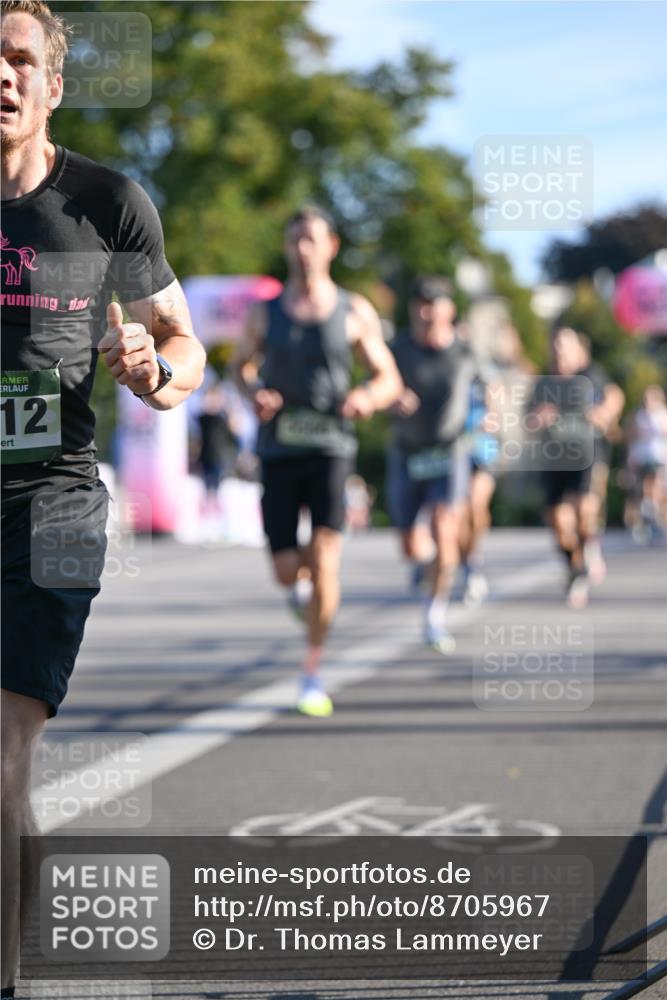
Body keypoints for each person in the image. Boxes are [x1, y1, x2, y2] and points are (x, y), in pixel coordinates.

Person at [0, 3, 206, 996]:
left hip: (55, 503)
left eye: (18, 59)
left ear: (52, 86)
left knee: (1, 754)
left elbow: (185, 344)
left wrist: (153, 372)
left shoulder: (107, 203)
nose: (1, 75)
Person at [230, 205, 401, 717]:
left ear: (331, 247)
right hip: (279, 449)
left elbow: (388, 378)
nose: (302, 249)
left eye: (311, 239)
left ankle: (312, 670)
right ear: (287, 249)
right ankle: (299, 590)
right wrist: (253, 392)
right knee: (287, 570)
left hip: (331, 447)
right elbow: (240, 366)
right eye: (294, 240)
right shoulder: (266, 311)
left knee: (326, 558)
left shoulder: (354, 310)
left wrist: (367, 398)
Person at [387, 276, 481, 652]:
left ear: (449, 310)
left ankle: (434, 613)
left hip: (450, 451)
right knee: (412, 546)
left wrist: (490, 411)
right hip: (408, 452)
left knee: (446, 529)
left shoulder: (465, 352)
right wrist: (391, 396)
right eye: (420, 303)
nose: (426, 311)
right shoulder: (398, 349)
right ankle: (424, 566)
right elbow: (377, 383)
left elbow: (492, 387)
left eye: (434, 303)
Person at [527, 327, 623, 609]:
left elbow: (614, 395)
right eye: (555, 344)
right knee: (558, 522)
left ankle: (586, 551)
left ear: (577, 349)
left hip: (587, 455)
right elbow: (527, 420)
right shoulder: (543, 383)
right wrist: (537, 419)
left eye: (565, 345)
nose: (559, 350)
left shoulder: (590, 374)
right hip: (555, 458)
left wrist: (604, 412)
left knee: (584, 512)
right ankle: (574, 566)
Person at [625, 384, 667, 543]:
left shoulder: (663, 414)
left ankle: (653, 514)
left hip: (659, 455)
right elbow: (631, 436)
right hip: (642, 456)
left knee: (657, 486)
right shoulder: (639, 415)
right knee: (644, 486)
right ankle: (646, 513)